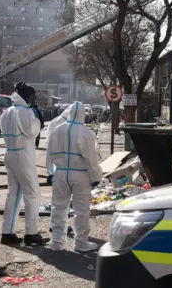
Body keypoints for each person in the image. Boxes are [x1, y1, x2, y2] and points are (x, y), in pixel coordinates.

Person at [46, 102, 102, 252]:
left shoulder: (57, 130)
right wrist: (96, 175)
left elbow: (49, 153)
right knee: (81, 210)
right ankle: (81, 242)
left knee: (58, 207)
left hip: (61, 172)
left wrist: (50, 172)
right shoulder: (85, 132)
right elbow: (92, 159)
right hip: (80, 174)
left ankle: (56, 243)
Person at [0, 82, 48, 246]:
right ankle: (31, 233)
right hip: (22, 156)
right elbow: (33, 131)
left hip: (10, 154)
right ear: (27, 96)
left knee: (13, 194)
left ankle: (7, 232)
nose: (34, 100)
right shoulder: (25, 112)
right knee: (32, 193)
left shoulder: (6, 113)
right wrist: (35, 118)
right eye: (33, 97)